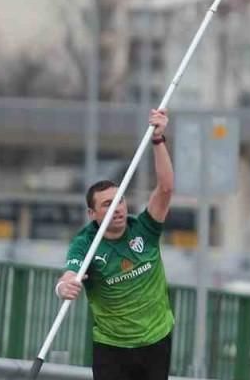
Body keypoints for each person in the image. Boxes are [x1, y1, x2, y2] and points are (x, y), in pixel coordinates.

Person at [56, 109, 176, 380]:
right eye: (108, 204)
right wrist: (63, 287)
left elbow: (166, 188)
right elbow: (70, 274)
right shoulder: (85, 243)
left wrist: (158, 140)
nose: (117, 208)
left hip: (155, 339)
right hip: (112, 346)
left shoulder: (144, 228)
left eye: (120, 200)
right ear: (92, 214)